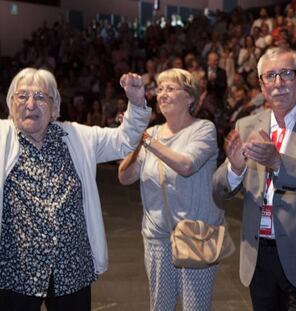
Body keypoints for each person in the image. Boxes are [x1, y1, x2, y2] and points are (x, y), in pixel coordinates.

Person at [0, 68, 151, 310]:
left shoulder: (77, 136)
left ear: (54, 106)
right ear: (11, 102)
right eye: (22, 96)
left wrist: (136, 103)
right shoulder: (2, 137)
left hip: (71, 268)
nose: (30, 104)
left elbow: (124, 140)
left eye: (40, 97)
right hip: (15, 271)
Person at [213, 47, 296, 310]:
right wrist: (236, 168)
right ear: (261, 85)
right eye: (270, 75)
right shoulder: (247, 125)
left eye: (286, 73)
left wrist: (277, 162)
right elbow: (219, 188)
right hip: (258, 254)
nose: (278, 83)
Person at [118, 68, 224, 311]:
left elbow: (186, 165)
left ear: (189, 97)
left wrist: (146, 141)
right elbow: (125, 177)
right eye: (160, 89)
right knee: (160, 306)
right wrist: (136, 141)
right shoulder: (152, 133)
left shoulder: (203, 129)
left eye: (170, 88)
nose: (162, 94)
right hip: (157, 236)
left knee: (195, 308)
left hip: (195, 234)